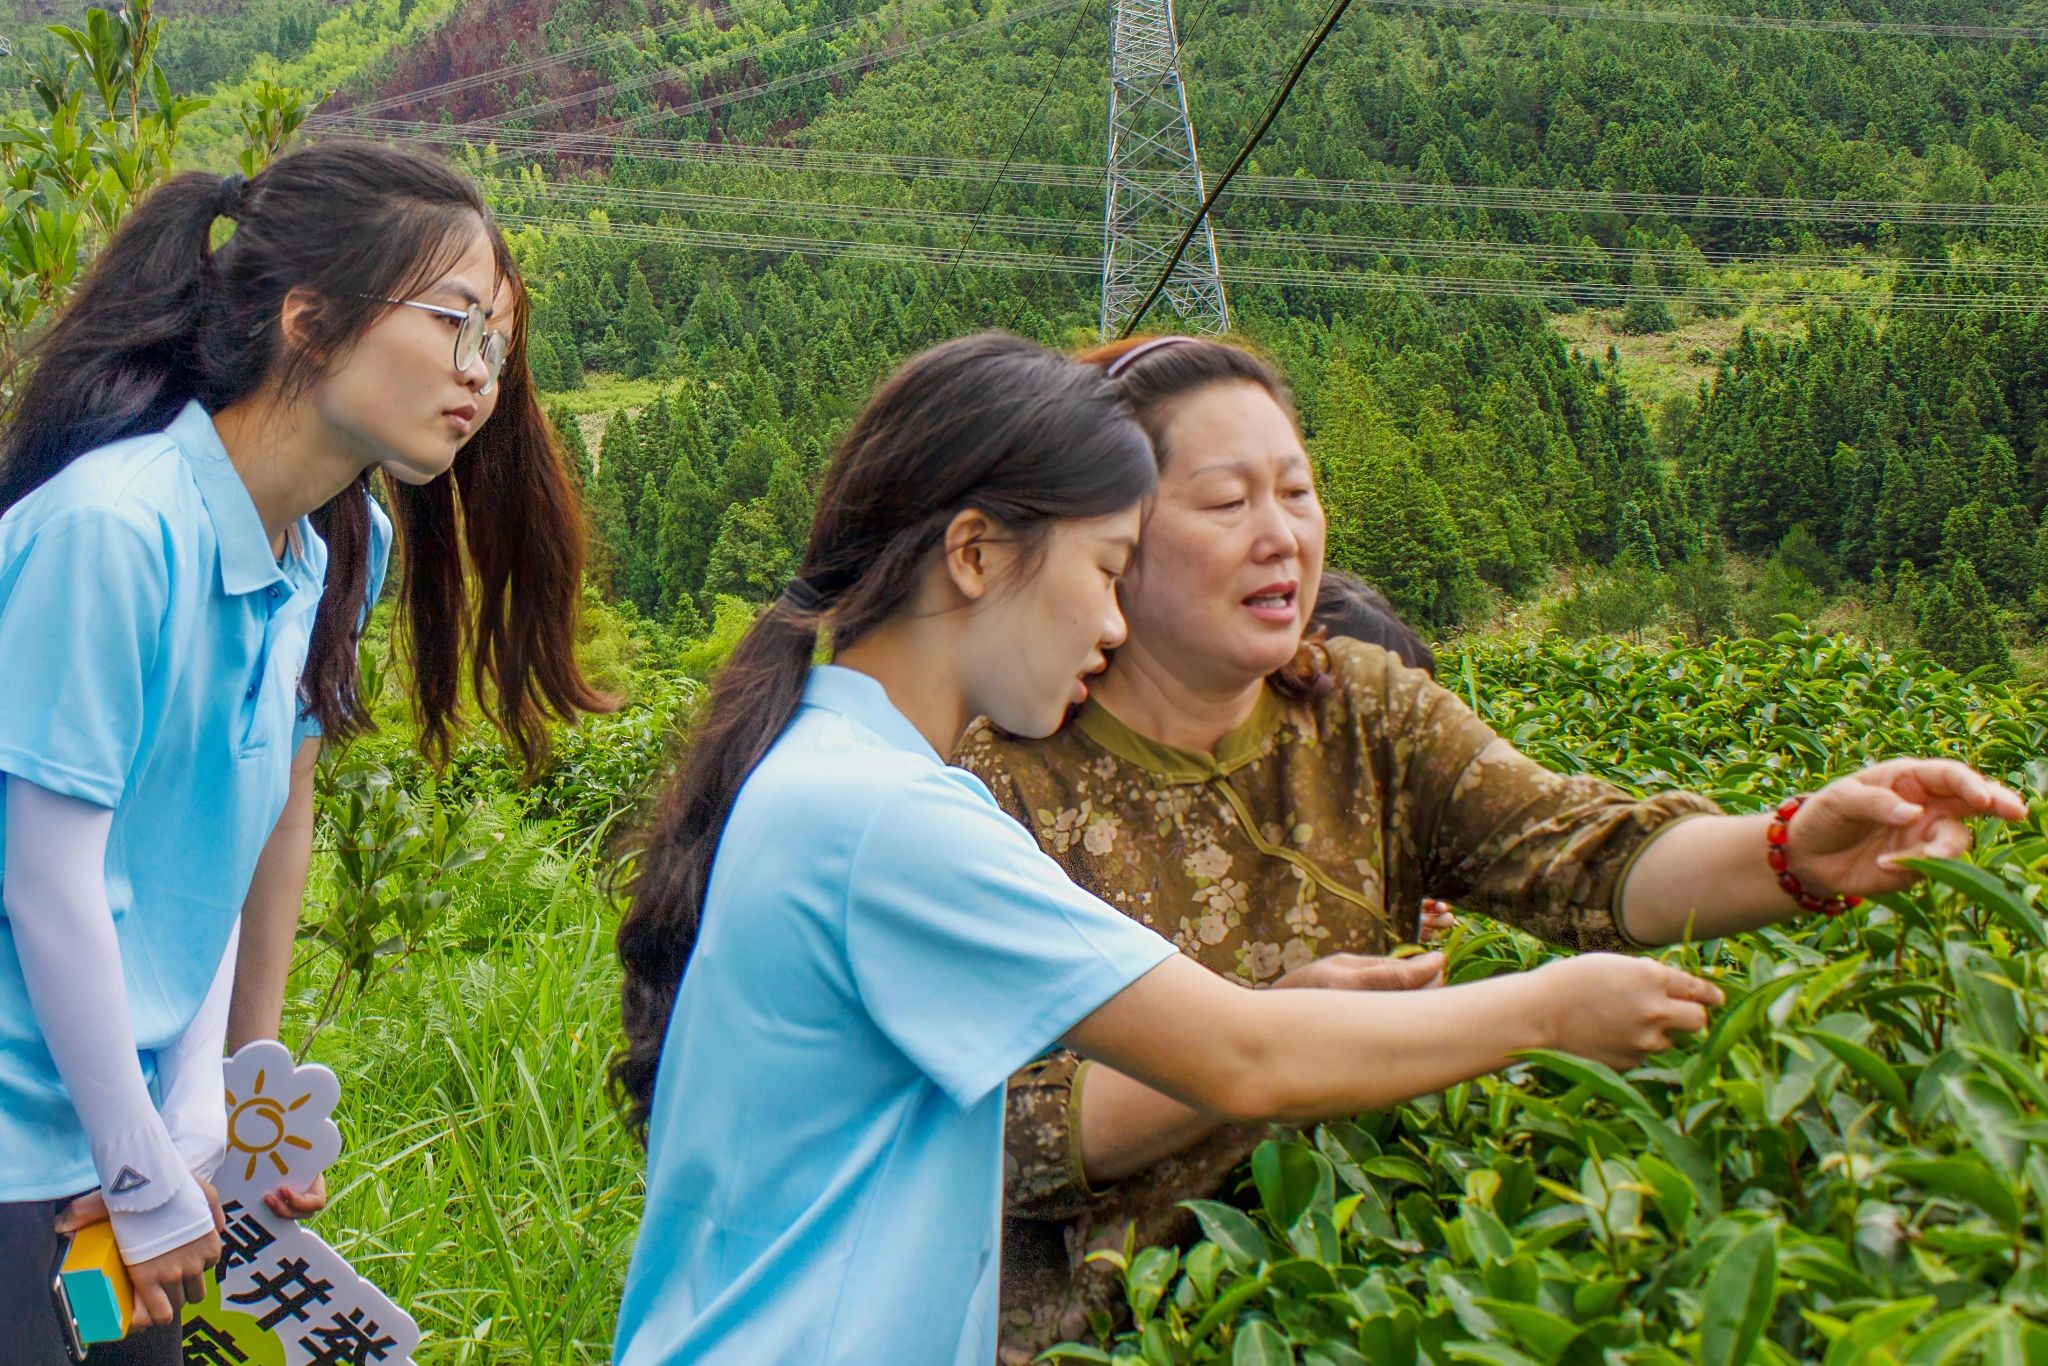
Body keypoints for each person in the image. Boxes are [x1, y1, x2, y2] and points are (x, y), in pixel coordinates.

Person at [608, 332, 1725, 1365]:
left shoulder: (823, 764)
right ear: (975, 554)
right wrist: (1549, 1012)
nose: (1111, 623)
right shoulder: (891, 818)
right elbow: (1244, 1057)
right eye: (1104, 568)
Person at [954, 333, 2028, 1359]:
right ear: (1114, 538)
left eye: (1296, 491)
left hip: (1352, 1289)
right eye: (1227, 502)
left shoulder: (1363, 711)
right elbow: (984, 1132)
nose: (1280, 534)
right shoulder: (999, 774)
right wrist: (1270, 1038)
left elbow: (1576, 851)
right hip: (1087, 1333)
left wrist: (1793, 850)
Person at [0, 139, 602, 1358]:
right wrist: (142, 1159)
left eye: (495, 345)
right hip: (32, 1150)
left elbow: (236, 846)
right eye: (457, 323)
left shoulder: (324, 557)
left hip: (119, 1147)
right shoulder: (114, 534)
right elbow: (46, 882)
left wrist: (226, 1101)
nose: (480, 376)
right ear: (309, 319)